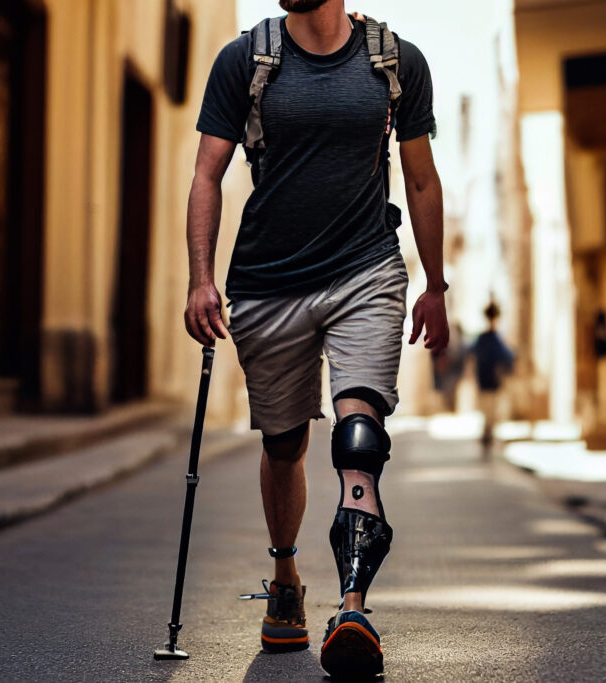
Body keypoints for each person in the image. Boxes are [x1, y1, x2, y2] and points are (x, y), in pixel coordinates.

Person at [184, 0, 447, 677]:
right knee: (284, 442)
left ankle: (353, 605)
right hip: (269, 281)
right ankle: (286, 577)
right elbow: (207, 171)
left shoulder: (396, 62)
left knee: (360, 434)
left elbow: (420, 177)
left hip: (367, 268)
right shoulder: (245, 61)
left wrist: (436, 285)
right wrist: (200, 279)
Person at [468, 301, 514, 454]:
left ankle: (487, 436)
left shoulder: (486, 339)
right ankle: (487, 436)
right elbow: (507, 357)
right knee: (491, 411)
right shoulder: (493, 339)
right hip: (490, 381)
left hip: (487, 380)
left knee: (489, 411)